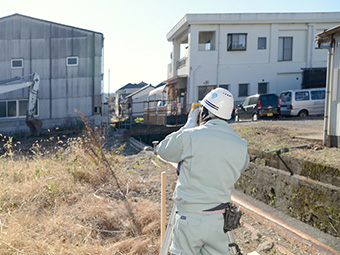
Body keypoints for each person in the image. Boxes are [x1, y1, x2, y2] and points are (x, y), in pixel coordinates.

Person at [156, 88, 249, 255]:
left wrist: (188, 126)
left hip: (190, 220)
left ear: (204, 112)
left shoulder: (191, 136)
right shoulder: (241, 144)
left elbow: (163, 150)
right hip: (219, 221)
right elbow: (242, 165)